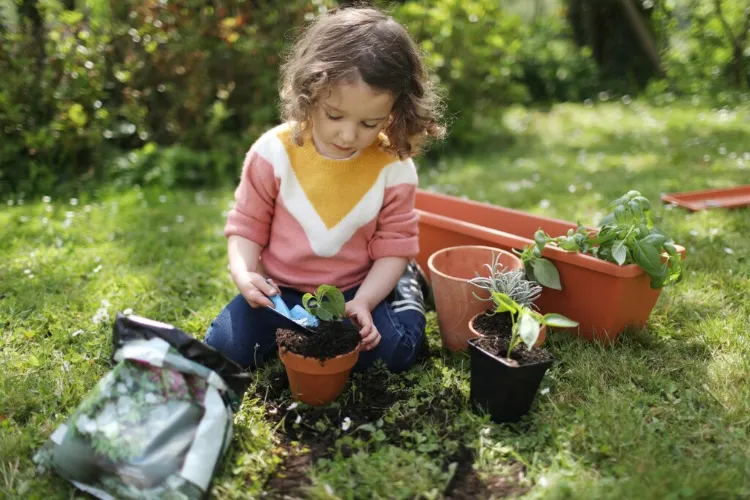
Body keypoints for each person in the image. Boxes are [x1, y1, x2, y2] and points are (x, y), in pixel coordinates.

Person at [204, 5, 444, 373]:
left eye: (370, 122)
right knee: (224, 350)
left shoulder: (393, 167)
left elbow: (394, 244)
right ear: (309, 93)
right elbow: (246, 225)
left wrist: (364, 301)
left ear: (397, 110)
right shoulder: (273, 153)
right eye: (334, 115)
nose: (348, 135)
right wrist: (243, 273)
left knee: (393, 353)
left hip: (356, 289)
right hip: (279, 293)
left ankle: (404, 285)